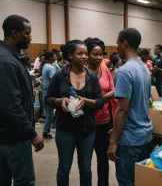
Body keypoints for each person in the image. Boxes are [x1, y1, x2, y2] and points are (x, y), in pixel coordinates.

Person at [45, 40, 104, 186]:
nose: (84, 56)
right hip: (65, 129)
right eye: (80, 53)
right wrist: (60, 101)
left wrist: (87, 101)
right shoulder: (60, 75)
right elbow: (47, 98)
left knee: (85, 168)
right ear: (70, 55)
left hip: (87, 130)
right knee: (64, 168)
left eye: (85, 53)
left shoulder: (92, 77)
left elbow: (100, 101)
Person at [0, 15, 44, 186]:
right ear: (14, 33)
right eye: (27, 33)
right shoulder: (7, 61)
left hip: (7, 134)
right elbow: (11, 104)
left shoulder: (10, 57)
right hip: (13, 137)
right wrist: (31, 134)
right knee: (24, 181)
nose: (30, 37)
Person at [107, 28, 152, 186]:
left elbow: (123, 110)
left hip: (130, 139)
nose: (116, 47)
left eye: (117, 43)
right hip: (145, 135)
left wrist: (113, 141)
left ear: (124, 44)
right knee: (141, 180)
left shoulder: (124, 71)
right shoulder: (144, 68)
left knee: (127, 181)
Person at [84, 37, 117, 186]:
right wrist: (102, 98)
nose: (98, 58)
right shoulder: (81, 72)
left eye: (101, 54)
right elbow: (80, 98)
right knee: (85, 161)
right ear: (87, 54)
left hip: (105, 121)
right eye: (95, 54)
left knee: (103, 159)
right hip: (87, 123)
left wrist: (96, 101)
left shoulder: (104, 69)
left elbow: (114, 92)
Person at [41, 51, 57, 139]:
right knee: (50, 114)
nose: (56, 57)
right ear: (50, 57)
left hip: (45, 91)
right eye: (54, 55)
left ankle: (48, 130)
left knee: (49, 113)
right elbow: (54, 79)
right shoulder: (50, 67)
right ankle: (46, 132)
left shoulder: (45, 66)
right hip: (49, 93)